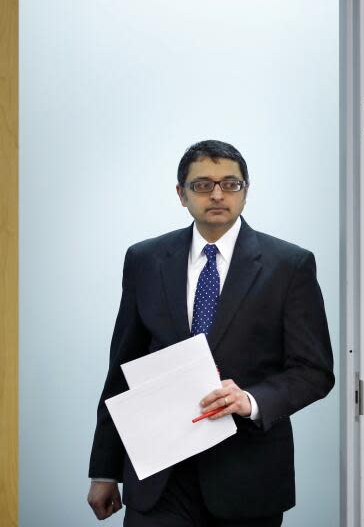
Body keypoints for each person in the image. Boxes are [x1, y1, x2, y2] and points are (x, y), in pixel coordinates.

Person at [87, 140, 335, 526]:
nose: (217, 194)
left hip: (247, 474)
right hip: (159, 475)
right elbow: (121, 368)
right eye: (202, 185)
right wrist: (105, 469)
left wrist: (252, 399)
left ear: (246, 191)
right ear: (181, 194)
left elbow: (314, 370)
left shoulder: (289, 265)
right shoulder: (145, 260)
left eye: (230, 184)